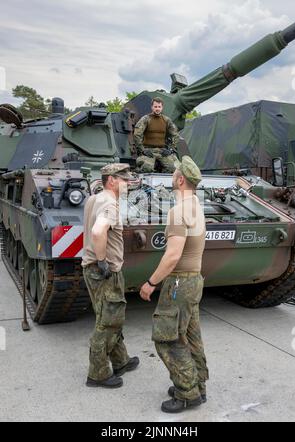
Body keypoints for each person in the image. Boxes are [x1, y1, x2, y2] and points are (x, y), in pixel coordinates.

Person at [140, 156, 209, 413]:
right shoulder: (196, 206)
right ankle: (197, 384)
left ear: (180, 180)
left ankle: (187, 393)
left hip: (179, 282)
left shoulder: (177, 211)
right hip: (195, 281)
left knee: (166, 339)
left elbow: (172, 256)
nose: (172, 176)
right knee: (191, 337)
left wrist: (150, 283)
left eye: (174, 173)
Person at [82, 163, 139, 388]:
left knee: (111, 316)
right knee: (108, 321)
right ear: (112, 180)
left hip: (92, 269)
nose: (127, 183)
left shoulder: (94, 198)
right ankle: (98, 374)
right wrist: (103, 260)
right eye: (124, 180)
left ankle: (120, 360)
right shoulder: (109, 204)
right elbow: (97, 231)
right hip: (103, 271)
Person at [134, 97, 180, 173]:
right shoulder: (146, 119)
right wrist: (142, 149)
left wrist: (171, 149)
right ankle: (137, 172)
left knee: (173, 168)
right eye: (155, 107)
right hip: (149, 151)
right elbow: (137, 134)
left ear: (162, 107)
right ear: (152, 107)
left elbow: (175, 135)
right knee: (147, 168)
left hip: (162, 151)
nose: (157, 109)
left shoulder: (166, 120)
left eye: (159, 107)